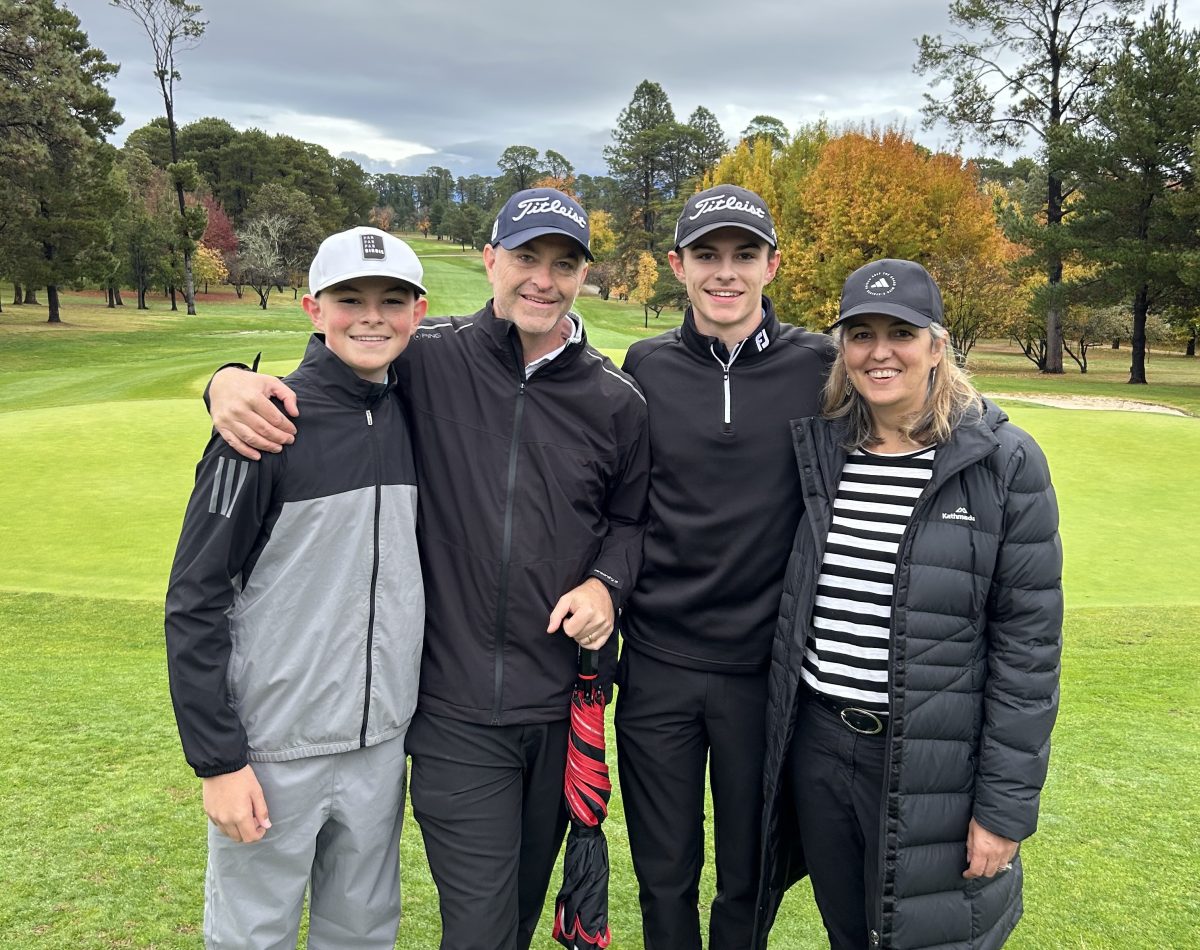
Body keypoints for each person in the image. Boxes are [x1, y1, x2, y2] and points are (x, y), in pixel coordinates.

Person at [204, 187, 650, 950]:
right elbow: (337, 366)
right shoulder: (429, 356)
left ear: (582, 274)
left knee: (511, 917)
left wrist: (606, 582)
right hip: (452, 710)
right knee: (479, 927)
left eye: (563, 263)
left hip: (557, 705)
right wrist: (226, 382)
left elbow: (629, 521)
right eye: (525, 258)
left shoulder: (615, 400)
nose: (542, 279)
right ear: (490, 261)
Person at [753, 259, 1063, 950]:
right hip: (821, 746)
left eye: (901, 332)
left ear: (937, 346)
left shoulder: (1003, 462)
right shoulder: (825, 451)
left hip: (932, 762)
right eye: (860, 334)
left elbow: (1029, 652)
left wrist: (1004, 809)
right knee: (848, 933)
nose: (879, 351)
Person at [164, 226, 428, 948]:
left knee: (364, 934)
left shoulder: (421, 409)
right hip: (275, 747)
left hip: (381, 744)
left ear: (419, 310)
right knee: (255, 936)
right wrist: (218, 762)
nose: (371, 316)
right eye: (350, 299)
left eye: (390, 299)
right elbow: (194, 599)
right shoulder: (262, 424)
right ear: (314, 308)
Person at [617, 186, 834, 949]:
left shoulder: (821, 364)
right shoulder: (644, 365)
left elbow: (920, 402)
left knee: (749, 875)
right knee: (663, 872)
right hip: (657, 668)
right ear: (678, 266)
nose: (726, 273)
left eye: (745, 255)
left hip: (764, 672)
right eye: (707, 255)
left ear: (773, 264)